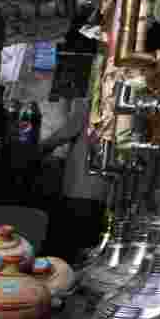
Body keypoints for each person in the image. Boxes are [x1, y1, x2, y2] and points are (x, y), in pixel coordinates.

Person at [39, 98, 109, 263]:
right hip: (101, 190)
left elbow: (63, 134)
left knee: (66, 244)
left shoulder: (94, 105)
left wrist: (40, 149)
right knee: (86, 242)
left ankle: (61, 276)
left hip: (79, 188)